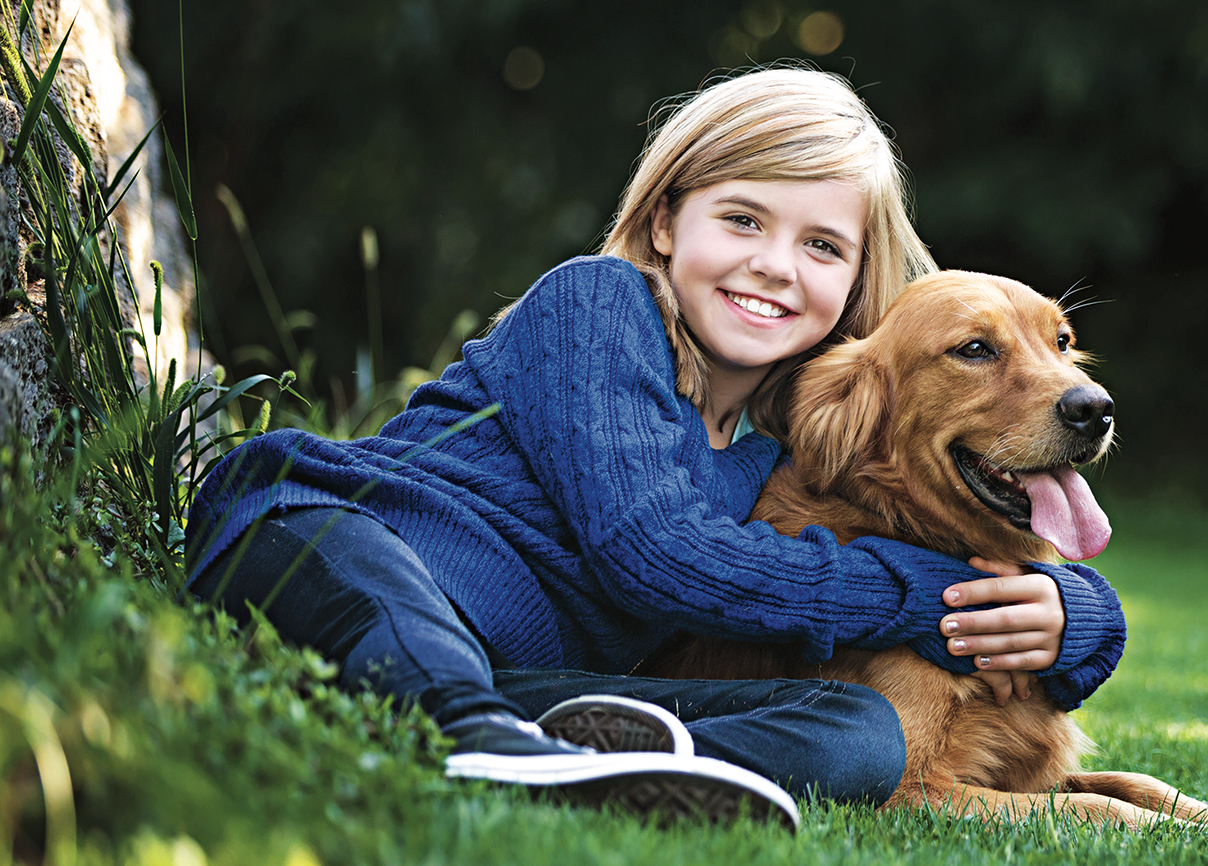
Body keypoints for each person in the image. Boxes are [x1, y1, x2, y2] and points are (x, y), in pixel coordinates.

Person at [183, 67, 1126, 830]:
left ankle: (562, 755)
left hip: (514, 673)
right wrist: (933, 602)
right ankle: (485, 743)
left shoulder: (780, 452)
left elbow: (881, 539)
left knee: (860, 739)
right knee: (379, 580)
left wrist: (1076, 614)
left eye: (823, 246)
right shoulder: (599, 306)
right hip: (320, 531)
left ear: (853, 285)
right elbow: (654, 554)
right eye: (744, 219)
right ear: (668, 220)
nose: (774, 263)